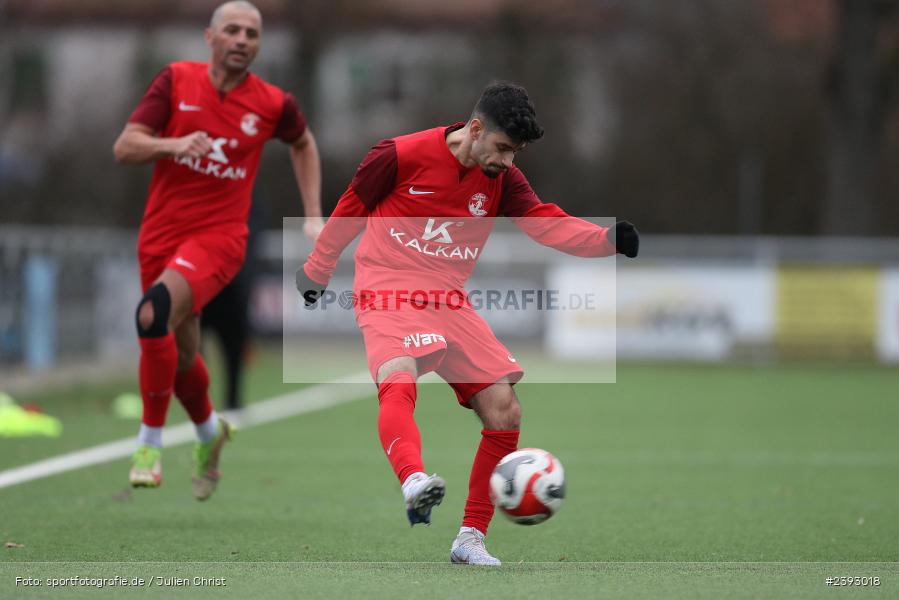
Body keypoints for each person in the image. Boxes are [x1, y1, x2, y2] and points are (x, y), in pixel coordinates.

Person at [295, 82, 639, 564]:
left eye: (515, 153)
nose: (508, 162)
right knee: (398, 377)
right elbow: (352, 207)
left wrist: (605, 239)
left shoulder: (503, 180)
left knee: (505, 411)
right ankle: (414, 480)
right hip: (387, 285)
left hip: (449, 299)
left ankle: (470, 539)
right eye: (502, 148)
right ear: (474, 129)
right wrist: (319, 267)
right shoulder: (398, 155)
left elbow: (544, 221)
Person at [113, 0, 323, 500]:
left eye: (252, 33)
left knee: (151, 314)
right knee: (181, 354)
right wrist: (173, 144)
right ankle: (210, 433)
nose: (243, 40)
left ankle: (149, 443)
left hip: (220, 238)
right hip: (160, 235)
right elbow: (125, 147)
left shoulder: (273, 102)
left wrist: (314, 212)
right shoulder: (175, 81)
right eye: (232, 30)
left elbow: (304, 143)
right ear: (210, 37)